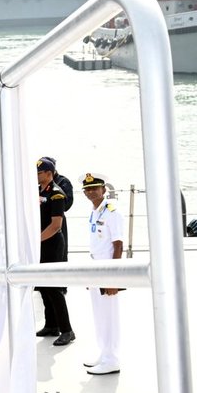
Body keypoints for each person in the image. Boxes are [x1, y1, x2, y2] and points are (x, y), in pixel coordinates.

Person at [82, 173, 125, 376]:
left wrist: (113, 277)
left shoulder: (112, 212)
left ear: (104, 190)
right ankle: (104, 352)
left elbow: (118, 245)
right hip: (95, 268)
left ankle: (112, 358)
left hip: (107, 269)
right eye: (87, 189)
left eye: (95, 188)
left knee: (109, 315)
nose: (91, 192)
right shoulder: (95, 212)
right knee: (99, 313)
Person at [34, 157, 74, 346]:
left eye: (39, 172)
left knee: (54, 288)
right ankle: (51, 325)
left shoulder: (57, 193)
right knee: (43, 286)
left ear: (49, 174)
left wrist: (37, 240)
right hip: (40, 243)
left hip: (52, 243)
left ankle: (67, 330)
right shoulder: (38, 191)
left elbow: (56, 225)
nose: (36, 175)